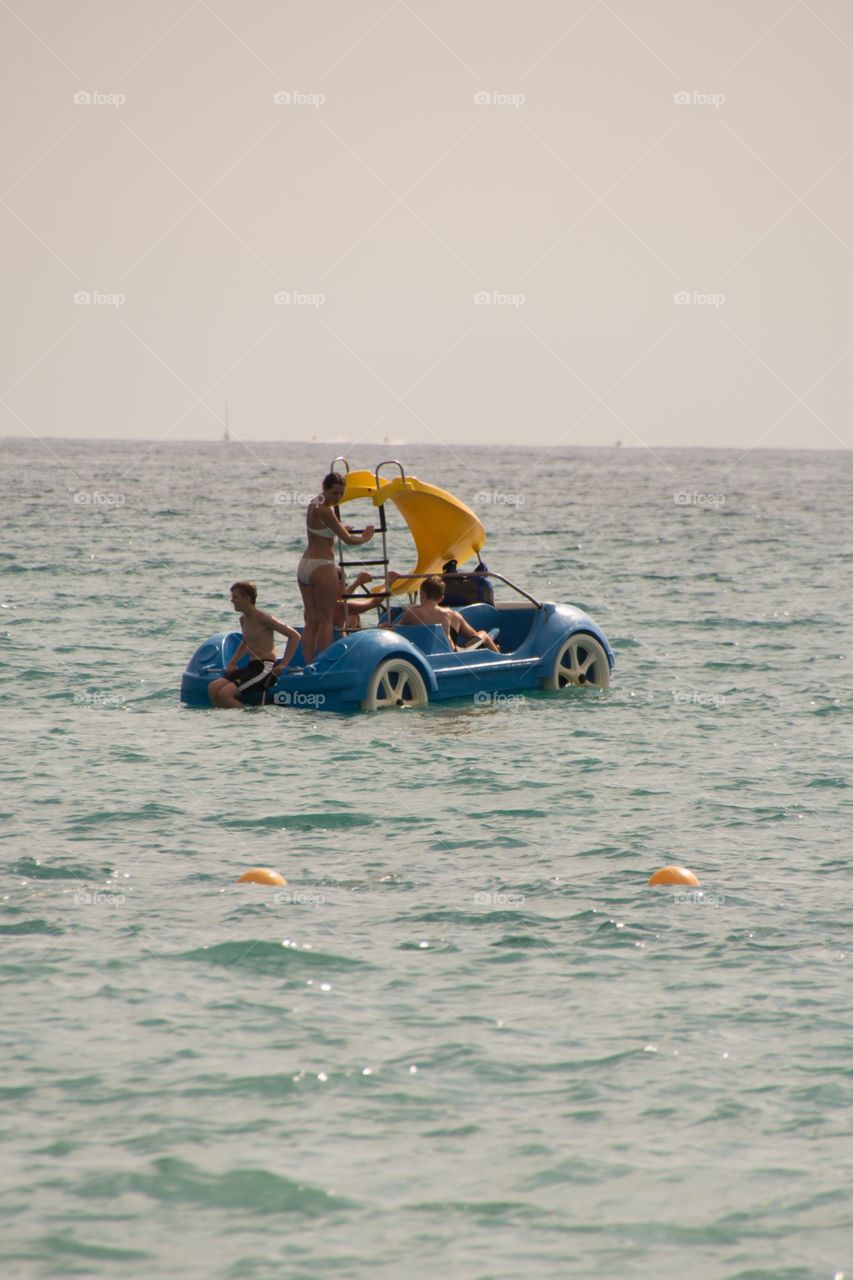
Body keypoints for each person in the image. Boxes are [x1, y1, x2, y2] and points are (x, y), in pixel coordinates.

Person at [297, 472, 374, 662]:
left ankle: (309, 663)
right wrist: (366, 536)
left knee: (312, 620)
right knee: (326, 620)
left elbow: (326, 530)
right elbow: (348, 540)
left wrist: (337, 528)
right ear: (325, 488)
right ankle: (323, 662)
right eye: (334, 493)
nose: (338, 498)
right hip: (322, 566)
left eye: (341, 494)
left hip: (305, 565)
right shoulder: (326, 510)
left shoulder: (314, 503)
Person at [208, 581, 301, 709]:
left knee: (225, 694)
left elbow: (294, 636)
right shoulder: (243, 619)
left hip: (265, 668)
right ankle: (223, 722)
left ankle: (244, 723)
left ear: (246, 598)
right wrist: (233, 663)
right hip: (251, 667)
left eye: (235, 597)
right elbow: (245, 642)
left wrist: (284, 663)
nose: (232, 601)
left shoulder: (264, 618)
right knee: (213, 687)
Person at [386, 576, 500, 652]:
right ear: (441, 598)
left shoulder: (412, 613)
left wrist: (386, 626)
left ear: (422, 594)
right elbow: (473, 636)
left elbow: (396, 630)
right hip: (453, 654)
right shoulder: (451, 614)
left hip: (424, 653)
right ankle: (498, 655)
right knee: (483, 634)